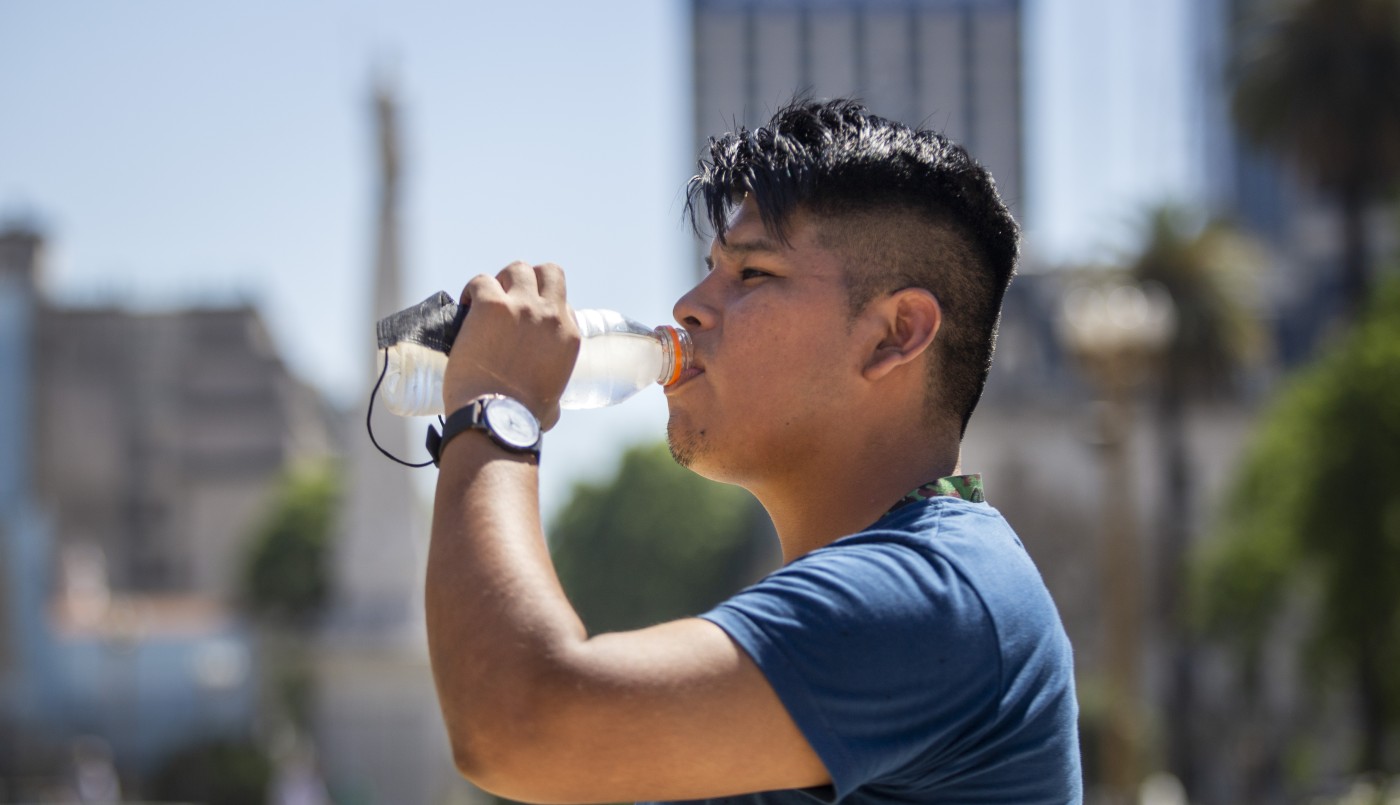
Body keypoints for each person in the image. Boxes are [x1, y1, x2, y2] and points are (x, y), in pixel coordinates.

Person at [425, 98, 1081, 804]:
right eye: (709, 268)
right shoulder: (873, 593)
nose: (687, 305)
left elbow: (520, 726)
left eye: (753, 274)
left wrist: (496, 413)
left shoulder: (936, 592)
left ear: (896, 333)